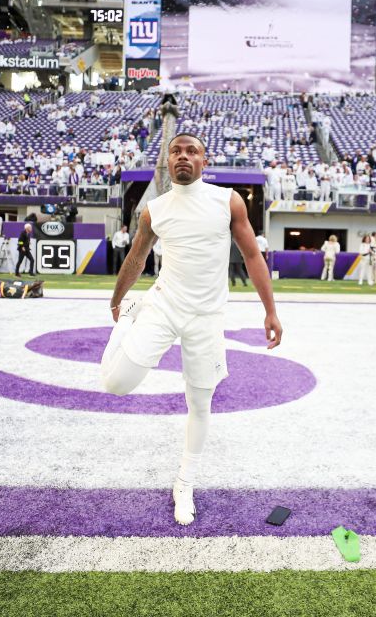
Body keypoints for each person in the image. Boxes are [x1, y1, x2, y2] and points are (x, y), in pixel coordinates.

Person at [99, 132, 282, 526]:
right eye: (176, 151)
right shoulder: (155, 209)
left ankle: (184, 482)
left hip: (206, 317)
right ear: (168, 162)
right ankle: (132, 317)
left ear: (204, 160)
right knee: (116, 385)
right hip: (163, 305)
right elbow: (136, 256)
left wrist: (270, 311)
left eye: (192, 151)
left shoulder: (227, 201)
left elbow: (252, 256)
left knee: (200, 405)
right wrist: (118, 302)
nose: (183, 156)